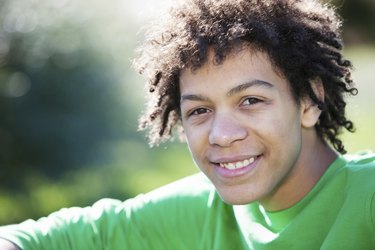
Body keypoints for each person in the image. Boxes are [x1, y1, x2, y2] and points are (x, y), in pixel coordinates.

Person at [1, 0, 374, 249]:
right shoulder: (204, 207)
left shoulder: (367, 198)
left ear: (310, 100)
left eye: (251, 101)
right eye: (200, 110)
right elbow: (36, 238)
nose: (222, 135)